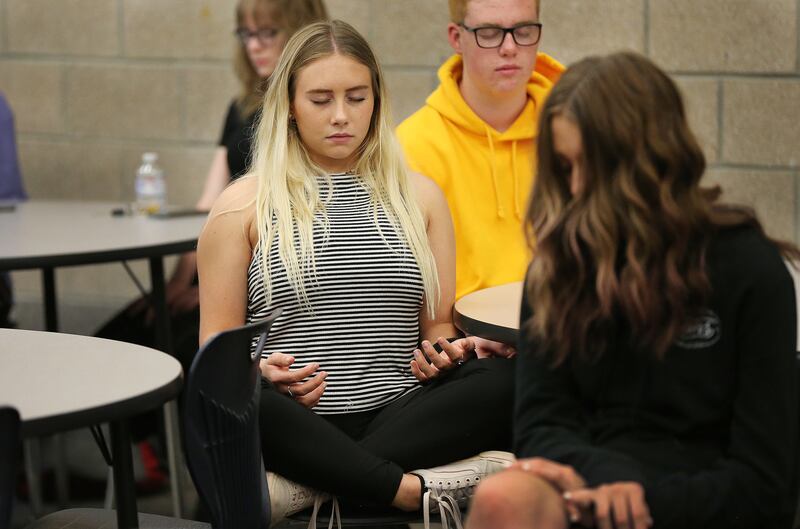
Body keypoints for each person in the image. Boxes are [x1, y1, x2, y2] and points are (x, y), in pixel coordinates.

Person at [197, 19, 515, 527]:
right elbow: (216, 354)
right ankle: (410, 491)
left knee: (503, 378)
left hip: (401, 410)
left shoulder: (421, 197)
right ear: (291, 106)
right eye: (321, 100)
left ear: (377, 100)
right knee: (244, 399)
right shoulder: (242, 206)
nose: (342, 116)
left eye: (357, 97)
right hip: (295, 421)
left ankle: (308, 488)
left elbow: (435, 329)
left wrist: (442, 351)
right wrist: (258, 370)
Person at [466, 52, 799, 529]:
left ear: (651, 163)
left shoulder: (748, 266)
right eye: (564, 167)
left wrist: (642, 500)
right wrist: (604, 485)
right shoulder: (561, 265)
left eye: (593, 170)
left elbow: (767, 484)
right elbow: (543, 427)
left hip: (704, 497)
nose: (576, 189)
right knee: (504, 496)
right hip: (587, 485)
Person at [95, 0, 329, 383]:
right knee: (116, 341)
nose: (254, 45)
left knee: (177, 355)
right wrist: (175, 284)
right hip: (218, 268)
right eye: (246, 34)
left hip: (262, 285)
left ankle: (170, 439)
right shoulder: (241, 107)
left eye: (267, 32)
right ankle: (150, 441)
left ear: (300, 30)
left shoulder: (312, 113)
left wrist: (216, 293)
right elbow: (209, 207)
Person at [397, 0, 563, 357]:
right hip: (466, 347)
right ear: (457, 37)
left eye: (523, 31)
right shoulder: (413, 144)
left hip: (562, 333)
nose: (509, 47)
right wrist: (460, 344)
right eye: (489, 32)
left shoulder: (569, 132)